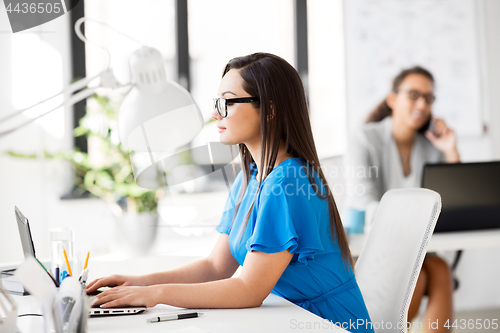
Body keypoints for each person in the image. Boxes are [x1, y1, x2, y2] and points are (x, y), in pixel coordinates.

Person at [87, 53, 374, 332]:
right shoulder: (250, 178)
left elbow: (248, 290)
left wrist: (157, 294)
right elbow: (215, 267)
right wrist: (140, 284)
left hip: (326, 323)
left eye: (228, 103)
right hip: (288, 318)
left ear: (270, 110)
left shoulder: (287, 182)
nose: (215, 113)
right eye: (217, 102)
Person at [345, 66, 459, 332]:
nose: (422, 103)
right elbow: (363, 199)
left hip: (418, 245)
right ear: (392, 99)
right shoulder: (364, 137)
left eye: (429, 98)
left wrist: (450, 149)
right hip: (376, 245)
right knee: (415, 277)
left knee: (441, 269)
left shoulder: (430, 146)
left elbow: (452, 203)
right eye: (414, 95)